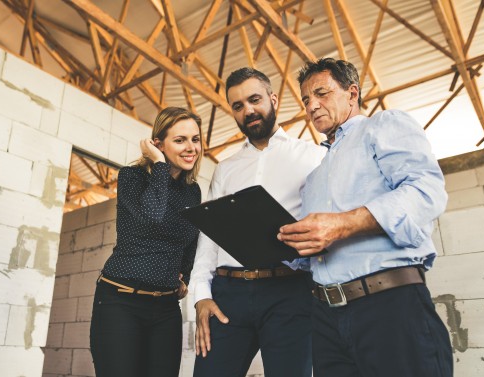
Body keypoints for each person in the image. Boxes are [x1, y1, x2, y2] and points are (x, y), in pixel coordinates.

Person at [278, 58, 453, 377]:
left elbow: (426, 192)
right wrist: (286, 246)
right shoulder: (314, 178)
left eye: (321, 93)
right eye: (306, 100)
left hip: (388, 305)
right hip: (325, 317)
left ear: (352, 93)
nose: (312, 105)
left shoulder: (383, 126)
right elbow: (319, 248)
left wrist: (342, 225)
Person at [190, 67, 325, 377]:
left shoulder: (313, 157)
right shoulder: (225, 168)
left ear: (273, 99)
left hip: (290, 293)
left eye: (254, 100)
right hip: (228, 294)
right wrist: (202, 296)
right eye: (238, 106)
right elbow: (208, 240)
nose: (248, 110)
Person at [90, 107, 203, 377]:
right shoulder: (132, 178)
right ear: (158, 144)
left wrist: (184, 275)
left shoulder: (192, 191)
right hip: (120, 301)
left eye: (195, 139)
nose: (191, 148)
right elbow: (151, 216)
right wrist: (161, 166)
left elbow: (189, 240)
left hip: (165, 308)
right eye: (180, 140)